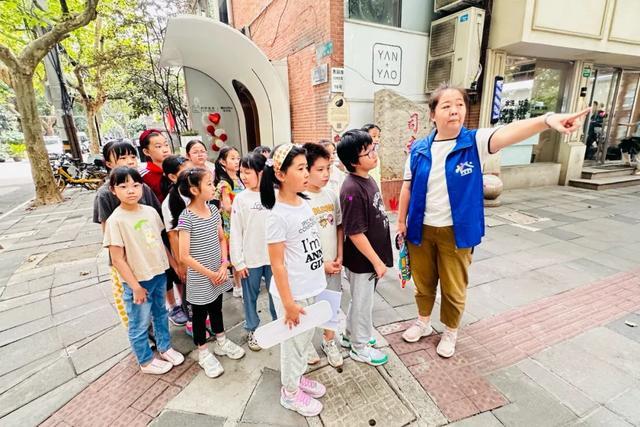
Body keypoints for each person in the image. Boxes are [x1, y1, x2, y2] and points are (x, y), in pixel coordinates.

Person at [397, 83, 590, 358]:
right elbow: (407, 187)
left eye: (460, 104)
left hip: (456, 231)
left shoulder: (474, 142)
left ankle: (450, 331)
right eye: (447, 105)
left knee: (453, 286)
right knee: (424, 282)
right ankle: (423, 322)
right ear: (433, 114)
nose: (454, 111)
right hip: (421, 228)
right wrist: (401, 222)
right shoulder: (419, 149)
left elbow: (510, 132)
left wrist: (547, 120)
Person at [260, 144, 327, 417]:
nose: (306, 173)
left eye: (305, 167)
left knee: (304, 340)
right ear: (280, 173)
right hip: (293, 294)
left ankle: (297, 379)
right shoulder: (277, 215)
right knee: (293, 345)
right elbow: (277, 264)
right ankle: (289, 391)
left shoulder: (303, 202)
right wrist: (287, 303)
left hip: (310, 285)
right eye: (300, 168)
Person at [103, 167, 185, 374]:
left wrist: (173, 264)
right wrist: (135, 287)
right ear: (113, 190)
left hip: (158, 274)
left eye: (135, 185)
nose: (131, 190)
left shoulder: (149, 212)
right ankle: (145, 360)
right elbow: (117, 259)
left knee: (160, 314)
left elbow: (159, 242)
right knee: (139, 323)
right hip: (138, 281)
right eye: (123, 186)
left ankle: (165, 347)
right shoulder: (115, 220)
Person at [173, 168, 246, 378]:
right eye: (208, 184)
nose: (213, 188)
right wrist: (210, 273)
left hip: (218, 272)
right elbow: (184, 255)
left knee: (216, 308)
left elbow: (222, 238)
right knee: (199, 315)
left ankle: (222, 341)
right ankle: (203, 352)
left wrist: (224, 264)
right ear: (194, 190)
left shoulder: (213, 210)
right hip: (201, 276)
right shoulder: (186, 217)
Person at [336, 130, 393, 367]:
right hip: (363, 261)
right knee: (363, 303)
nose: (373, 155)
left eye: (373, 149)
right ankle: (360, 348)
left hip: (370, 258)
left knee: (360, 300)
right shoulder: (351, 189)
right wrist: (376, 262)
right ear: (353, 161)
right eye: (367, 152)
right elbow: (354, 232)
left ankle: (351, 336)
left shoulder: (367, 179)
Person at [93, 141, 163, 328]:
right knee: (134, 305)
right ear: (108, 163)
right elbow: (107, 233)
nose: (130, 161)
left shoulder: (142, 188)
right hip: (124, 259)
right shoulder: (104, 195)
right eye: (122, 158)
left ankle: (157, 336)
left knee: (155, 303)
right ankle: (143, 344)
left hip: (147, 256)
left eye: (133, 157)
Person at [230, 153, 277, 351]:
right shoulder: (241, 199)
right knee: (250, 297)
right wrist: (238, 262)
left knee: (277, 294)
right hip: (251, 260)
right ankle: (253, 328)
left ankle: (278, 325)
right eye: (241, 172)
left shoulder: (275, 193)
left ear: (260, 172)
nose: (243, 176)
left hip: (275, 258)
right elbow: (235, 231)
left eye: (247, 172)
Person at [302, 143, 344, 368]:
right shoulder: (299, 200)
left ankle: (329, 342)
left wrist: (339, 254)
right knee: (308, 307)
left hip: (333, 263)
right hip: (311, 267)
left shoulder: (330, 195)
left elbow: (338, 226)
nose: (326, 174)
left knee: (331, 304)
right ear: (305, 170)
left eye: (328, 168)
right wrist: (321, 265)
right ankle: (306, 343)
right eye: (320, 169)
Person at [161, 155, 193, 329]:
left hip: (200, 251)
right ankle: (192, 324)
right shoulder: (169, 203)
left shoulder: (194, 193)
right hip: (186, 257)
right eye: (185, 172)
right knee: (190, 293)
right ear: (173, 177)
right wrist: (179, 264)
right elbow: (173, 236)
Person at [214, 146, 245, 298]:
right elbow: (227, 207)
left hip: (243, 221)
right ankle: (238, 286)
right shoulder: (224, 183)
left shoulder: (240, 179)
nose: (236, 161)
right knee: (236, 255)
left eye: (238, 158)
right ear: (222, 162)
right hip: (231, 224)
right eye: (232, 158)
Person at [139, 129, 172, 202]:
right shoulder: (144, 176)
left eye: (166, 145)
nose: (165, 150)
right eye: (158, 146)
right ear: (146, 152)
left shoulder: (178, 168)